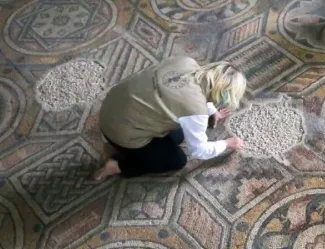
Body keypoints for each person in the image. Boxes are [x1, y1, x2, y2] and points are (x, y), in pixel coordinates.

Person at [95, 56, 246, 180]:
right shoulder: (196, 110)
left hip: (111, 107)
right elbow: (199, 151)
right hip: (120, 132)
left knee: (178, 136)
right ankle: (117, 167)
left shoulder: (186, 62)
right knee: (177, 160)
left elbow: (197, 89)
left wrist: (212, 111)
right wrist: (227, 143)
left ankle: (115, 144)